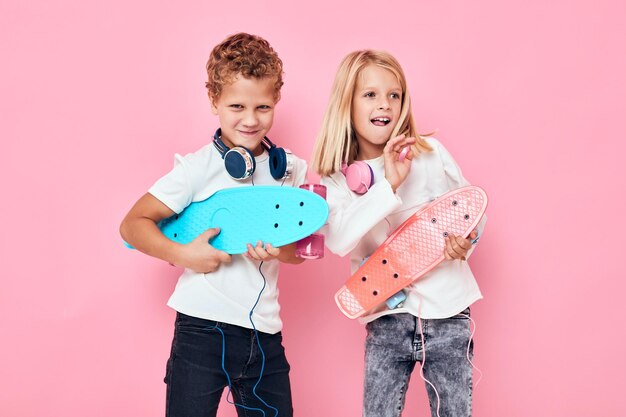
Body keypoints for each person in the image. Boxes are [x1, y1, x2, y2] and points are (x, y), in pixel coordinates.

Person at [120, 32, 307, 417]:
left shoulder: (289, 170)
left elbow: (298, 254)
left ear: (277, 102)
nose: (251, 119)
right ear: (214, 101)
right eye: (237, 105)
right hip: (201, 330)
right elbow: (132, 225)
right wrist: (185, 254)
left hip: (265, 334)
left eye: (264, 107)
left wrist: (281, 251)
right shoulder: (196, 169)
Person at [310, 50, 486, 417]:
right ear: (347, 103)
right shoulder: (337, 181)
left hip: (449, 313)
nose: (385, 104)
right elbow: (341, 239)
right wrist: (388, 183)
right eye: (370, 94)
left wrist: (465, 242)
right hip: (386, 320)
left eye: (395, 94)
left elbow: (472, 211)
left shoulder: (430, 153)